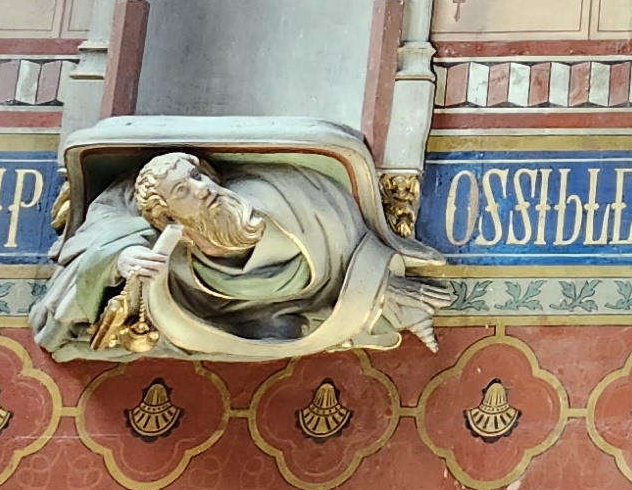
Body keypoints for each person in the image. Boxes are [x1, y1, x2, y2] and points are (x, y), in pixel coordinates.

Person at [31, 149, 450, 361]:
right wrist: (119, 259)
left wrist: (374, 283)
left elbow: (341, 237)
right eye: (184, 190)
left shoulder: (289, 201)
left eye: (198, 175)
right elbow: (99, 236)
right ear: (167, 216)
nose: (203, 189)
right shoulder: (168, 255)